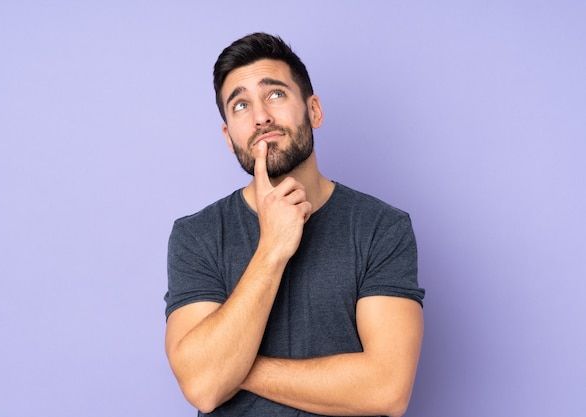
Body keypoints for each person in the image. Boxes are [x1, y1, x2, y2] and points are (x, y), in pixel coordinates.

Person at [164, 32, 425, 417]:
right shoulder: (197, 236)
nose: (260, 116)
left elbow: (387, 389)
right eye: (240, 105)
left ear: (314, 110)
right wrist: (271, 250)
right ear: (228, 136)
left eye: (275, 94)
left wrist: (235, 367)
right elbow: (203, 388)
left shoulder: (381, 228)